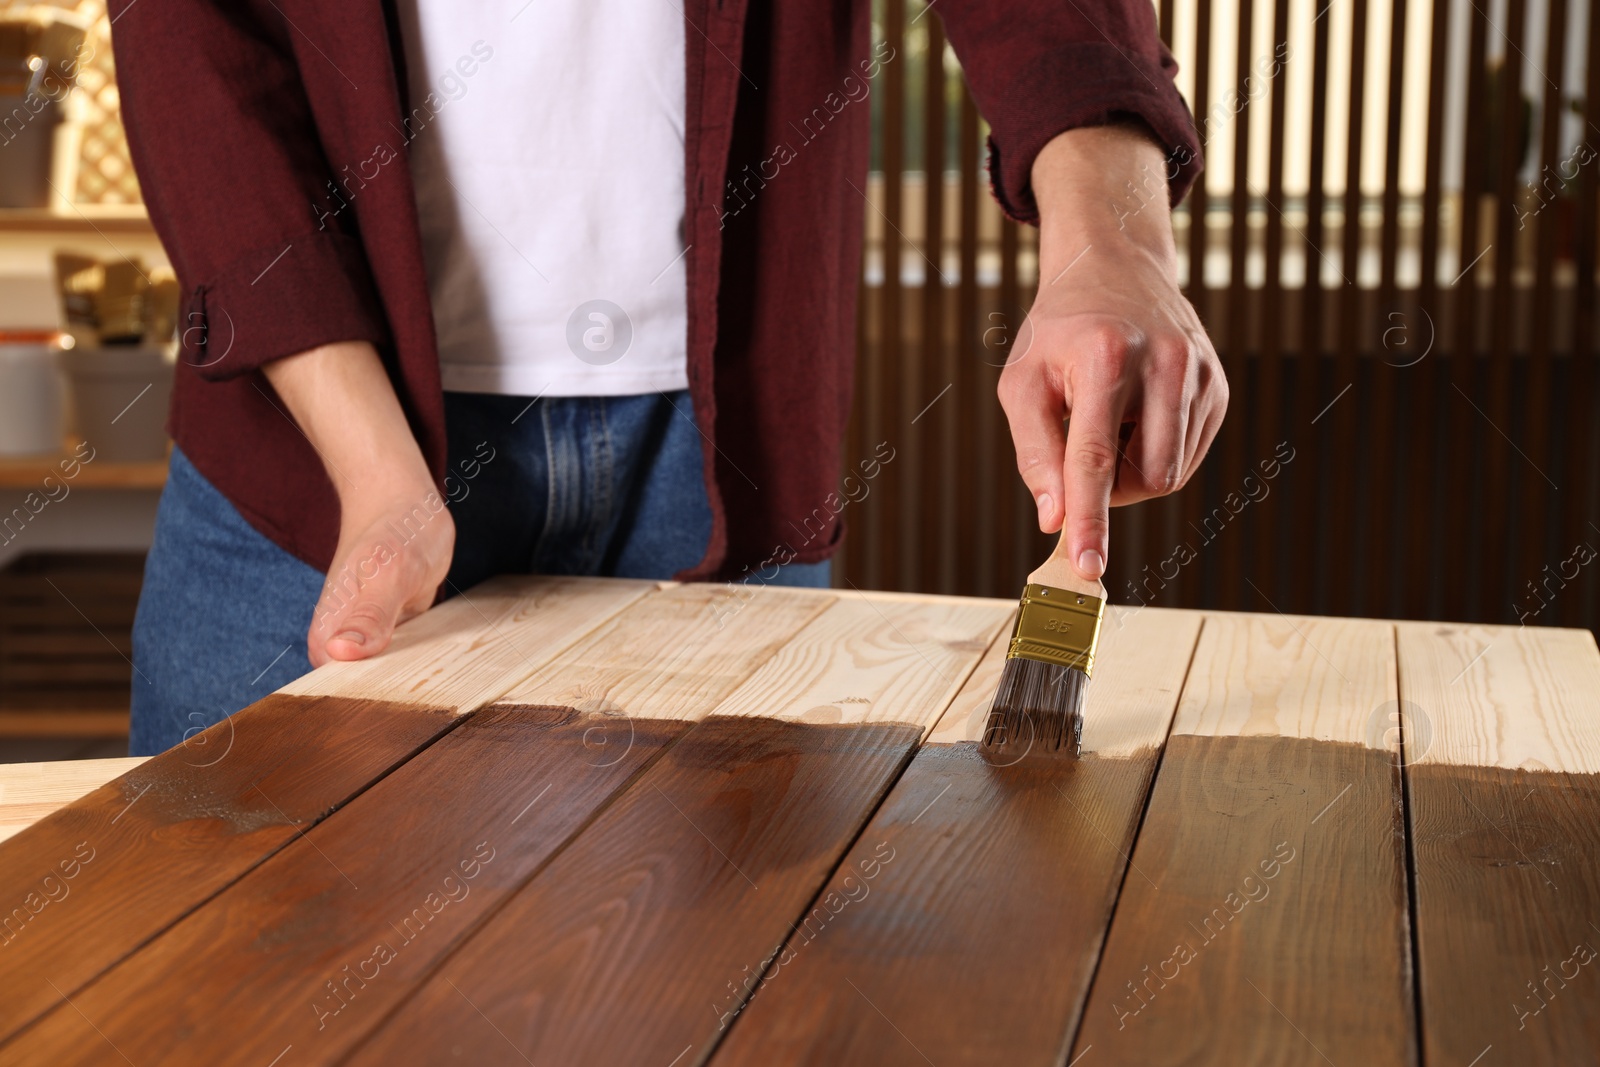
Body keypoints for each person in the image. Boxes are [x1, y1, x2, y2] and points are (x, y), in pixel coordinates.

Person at [110, 0, 1227, 756]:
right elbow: (189, 43)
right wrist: (370, 466)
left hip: (725, 458)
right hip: (315, 468)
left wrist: (1112, 239)